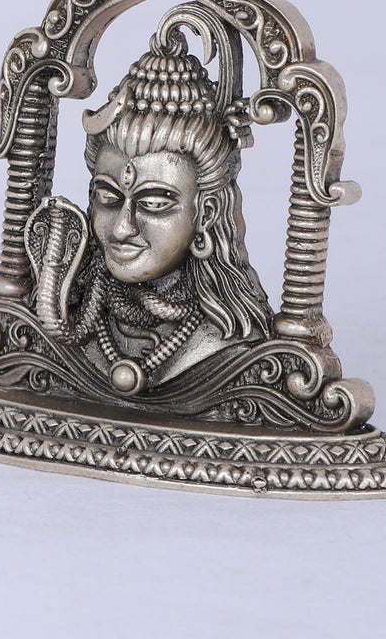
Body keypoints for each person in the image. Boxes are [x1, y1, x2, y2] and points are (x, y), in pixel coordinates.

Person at [47, 26, 273, 394]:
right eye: (108, 199)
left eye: (153, 205)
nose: (122, 228)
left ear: (206, 213)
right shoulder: (70, 315)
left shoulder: (227, 348)